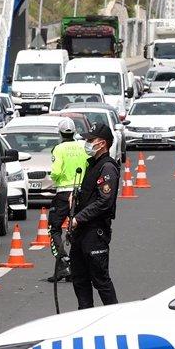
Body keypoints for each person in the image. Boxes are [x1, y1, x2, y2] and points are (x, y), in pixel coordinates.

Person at [69, 122, 120, 309]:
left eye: (91, 140)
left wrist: (78, 218)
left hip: (95, 232)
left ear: (103, 143)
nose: (87, 143)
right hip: (80, 232)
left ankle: (115, 320)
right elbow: (89, 195)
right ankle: (84, 319)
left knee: (101, 281)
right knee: (80, 279)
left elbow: (104, 202)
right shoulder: (92, 164)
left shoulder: (107, 167)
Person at [46, 118, 88, 282]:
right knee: (77, 228)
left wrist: (55, 180)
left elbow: (55, 172)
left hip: (64, 193)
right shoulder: (83, 146)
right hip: (81, 193)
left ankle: (63, 263)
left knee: (54, 228)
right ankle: (77, 267)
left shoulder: (59, 149)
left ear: (60, 133)